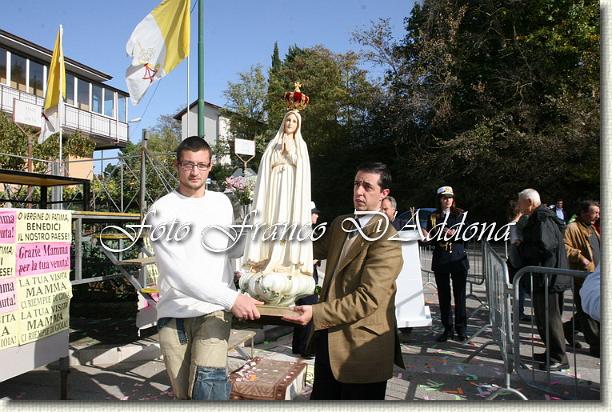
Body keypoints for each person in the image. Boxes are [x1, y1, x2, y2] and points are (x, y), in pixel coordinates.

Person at [148, 136, 262, 400]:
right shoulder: (161, 210)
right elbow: (177, 274)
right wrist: (232, 298)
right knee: (184, 396)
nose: (195, 172)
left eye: (201, 165)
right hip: (174, 314)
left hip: (214, 311)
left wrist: (248, 228)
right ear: (177, 166)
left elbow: (231, 252)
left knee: (208, 387)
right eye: (188, 164)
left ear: (210, 166)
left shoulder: (222, 202)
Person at [283, 162, 405, 400]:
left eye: (367, 187)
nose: (359, 191)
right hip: (328, 342)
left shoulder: (388, 240)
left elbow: (367, 299)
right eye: (356, 184)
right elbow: (309, 250)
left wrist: (315, 313)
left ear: (384, 193)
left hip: (362, 350)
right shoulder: (341, 223)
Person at [242, 110, 313, 277]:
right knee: (272, 217)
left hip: (291, 188)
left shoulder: (300, 144)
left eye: (294, 121)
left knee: (287, 218)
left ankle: (286, 259)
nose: (290, 123)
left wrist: (290, 152)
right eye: (288, 120)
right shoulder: (273, 143)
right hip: (274, 185)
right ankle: (266, 257)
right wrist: (278, 153)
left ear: (298, 125)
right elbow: (266, 165)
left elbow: (302, 167)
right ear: (283, 122)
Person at [517, 188, 571, 371]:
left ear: (529, 202)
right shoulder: (539, 217)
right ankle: (551, 351)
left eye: (520, 202)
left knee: (550, 318)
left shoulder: (542, 219)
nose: (518, 206)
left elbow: (545, 247)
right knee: (542, 318)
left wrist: (523, 247)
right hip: (544, 277)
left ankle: (559, 357)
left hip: (548, 278)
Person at [425, 186, 469, 342]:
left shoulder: (460, 214)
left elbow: (468, 233)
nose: (448, 200)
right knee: (444, 297)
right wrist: (425, 236)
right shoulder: (433, 217)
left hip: (457, 258)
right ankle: (447, 328)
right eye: (444, 198)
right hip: (441, 259)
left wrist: (455, 233)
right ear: (439, 200)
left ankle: (461, 329)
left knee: (460, 296)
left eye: (450, 197)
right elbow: (429, 239)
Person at [563, 200, 600, 357]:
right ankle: (597, 345)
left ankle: (568, 328)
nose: (597, 216)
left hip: (595, 276)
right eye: (594, 212)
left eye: (598, 213)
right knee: (586, 312)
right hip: (581, 277)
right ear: (584, 213)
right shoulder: (572, 227)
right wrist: (579, 257)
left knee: (590, 308)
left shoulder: (593, 228)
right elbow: (564, 247)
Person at [291, 201, 322, 359]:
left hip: (307, 275)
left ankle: (298, 346)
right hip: (305, 275)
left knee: (302, 309)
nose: (316, 216)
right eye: (314, 213)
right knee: (308, 309)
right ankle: (305, 348)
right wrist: (315, 259)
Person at [506, 200, 531, 321]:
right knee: (521, 288)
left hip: (517, 259)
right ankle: (519, 312)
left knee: (521, 288)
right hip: (518, 260)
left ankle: (519, 311)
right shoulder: (514, 224)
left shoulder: (516, 223)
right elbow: (515, 241)